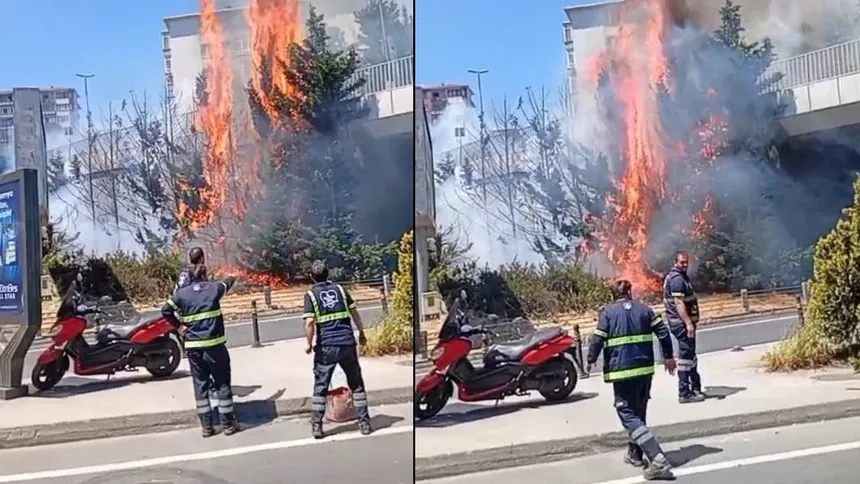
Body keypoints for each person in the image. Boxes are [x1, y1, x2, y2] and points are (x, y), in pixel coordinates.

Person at [587, 279, 676, 480]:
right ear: (630, 292)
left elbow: (598, 338)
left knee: (626, 412)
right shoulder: (645, 309)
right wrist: (669, 356)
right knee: (638, 411)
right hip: (644, 370)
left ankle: (657, 459)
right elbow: (663, 332)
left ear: (614, 294)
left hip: (622, 371)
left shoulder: (608, 313)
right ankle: (635, 454)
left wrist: (591, 359)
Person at [162, 264, 239, 437]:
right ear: (205, 276)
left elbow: (165, 310)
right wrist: (233, 275)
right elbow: (226, 283)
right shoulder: (213, 289)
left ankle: (207, 427)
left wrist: (179, 326)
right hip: (215, 347)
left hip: (193, 348)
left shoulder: (181, 294)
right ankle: (228, 425)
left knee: (200, 384)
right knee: (222, 383)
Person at [303, 260, 372, 439]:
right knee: (356, 384)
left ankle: (317, 426)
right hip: (347, 343)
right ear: (328, 274)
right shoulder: (341, 290)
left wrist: (308, 344)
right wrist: (362, 333)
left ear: (311, 277)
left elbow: (309, 322)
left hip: (326, 347)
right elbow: (355, 313)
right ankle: (364, 423)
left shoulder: (310, 295)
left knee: (321, 386)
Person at [663, 251, 706, 403]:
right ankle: (684, 393)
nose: (685, 265)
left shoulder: (681, 277)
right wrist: (688, 323)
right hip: (681, 324)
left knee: (690, 357)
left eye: (686, 262)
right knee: (685, 359)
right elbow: (679, 303)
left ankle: (695, 388)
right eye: (682, 262)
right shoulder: (677, 280)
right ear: (675, 262)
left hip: (684, 323)